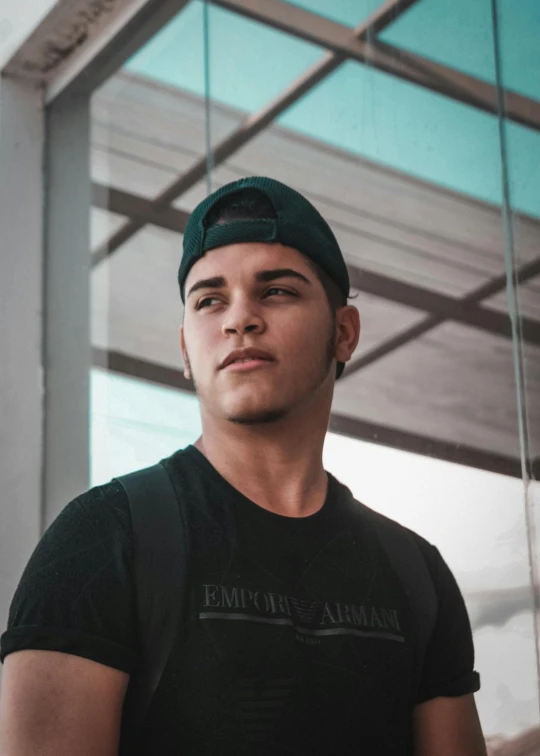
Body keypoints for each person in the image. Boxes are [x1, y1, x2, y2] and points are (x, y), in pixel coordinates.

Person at [0, 176, 486, 755]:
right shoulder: (104, 540)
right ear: (185, 349)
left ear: (344, 332)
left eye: (277, 291)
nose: (240, 319)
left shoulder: (417, 576)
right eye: (210, 300)